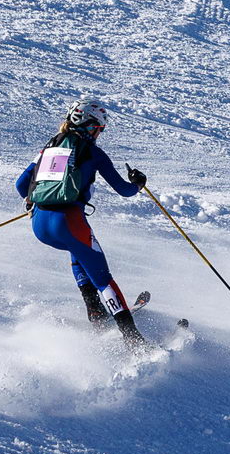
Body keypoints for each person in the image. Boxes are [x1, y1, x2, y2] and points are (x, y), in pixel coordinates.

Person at [15, 96, 149, 346]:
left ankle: (96, 312)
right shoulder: (94, 153)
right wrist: (139, 183)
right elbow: (124, 190)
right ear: (86, 124)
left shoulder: (48, 149)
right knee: (103, 278)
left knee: (78, 253)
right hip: (68, 222)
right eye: (98, 128)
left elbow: (21, 185)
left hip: (40, 224)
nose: (98, 134)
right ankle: (133, 340)